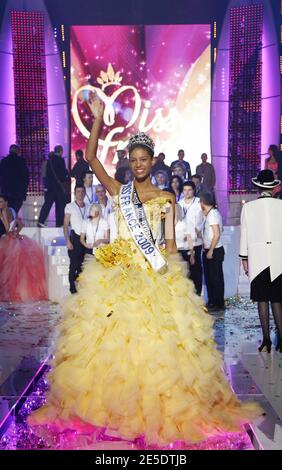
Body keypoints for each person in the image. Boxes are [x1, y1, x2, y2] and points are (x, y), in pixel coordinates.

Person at [29, 93, 260, 446]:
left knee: (157, 352)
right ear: (128, 162)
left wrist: (170, 279)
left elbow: (168, 247)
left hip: (153, 277)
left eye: (143, 159)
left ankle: (155, 411)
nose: (138, 164)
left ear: (153, 161)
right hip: (117, 276)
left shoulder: (166, 199)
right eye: (133, 159)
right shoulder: (118, 190)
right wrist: (98, 118)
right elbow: (90, 158)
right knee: (109, 349)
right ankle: (112, 411)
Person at [240, 169, 282, 353]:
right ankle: (281, 339)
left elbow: (244, 235)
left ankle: (266, 340)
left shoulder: (248, 207)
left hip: (257, 258)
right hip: (278, 257)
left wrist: (244, 257)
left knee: (262, 300)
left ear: (258, 187)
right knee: (277, 300)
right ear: (273, 188)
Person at [0, 194, 47, 302]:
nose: (0, 204)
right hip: (15, 239)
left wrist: (3, 219)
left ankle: (10, 292)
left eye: (1, 202)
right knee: (16, 268)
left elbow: (8, 229)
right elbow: (20, 225)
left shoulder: (3, 212)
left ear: (6, 202)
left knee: (9, 269)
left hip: (8, 240)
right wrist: (16, 232)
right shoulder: (12, 210)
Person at [201, 191, 225, 311]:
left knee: (216, 278)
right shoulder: (209, 214)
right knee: (210, 278)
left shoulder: (213, 214)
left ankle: (218, 303)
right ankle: (212, 302)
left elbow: (216, 234)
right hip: (209, 250)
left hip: (214, 251)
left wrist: (210, 250)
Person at [64, 185, 90, 294]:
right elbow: (65, 225)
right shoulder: (70, 206)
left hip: (86, 238)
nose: (80, 193)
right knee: (74, 264)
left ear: (84, 193)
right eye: (78, 191)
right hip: (75, 237)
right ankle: (72, 288)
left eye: (82, 191)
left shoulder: (89, 206)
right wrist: (68, 241)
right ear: (75, 193)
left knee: (83, 265)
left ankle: (81, 287)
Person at [179, 181, 203, 296]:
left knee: (196, 269)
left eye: (189, 190)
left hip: (196, 241)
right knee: (184, 271)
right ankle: (187, 295)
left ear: (194, 190)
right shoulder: (179, 204)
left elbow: (204, 218)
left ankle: (197, 293)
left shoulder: (199, 203)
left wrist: (200, 230)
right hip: (182, 242)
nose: (187, 192)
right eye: (185, 190)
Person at [38, 146, 70, 227]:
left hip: (50, 187)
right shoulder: (60, 160)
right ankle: (59, 224)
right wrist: (66, 174)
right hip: (58, 187)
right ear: (60, 151)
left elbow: (44, 174)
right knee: (60, 206)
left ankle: (41, 221)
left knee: (47, 205)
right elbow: (62, 174)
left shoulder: (48, 161)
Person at [0, 144, 29, 213]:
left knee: (6, 210)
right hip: (18, 191)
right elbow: (25, 176)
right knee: (14, 210)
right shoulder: (21, 161)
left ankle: (8, 223)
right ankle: (12, 222)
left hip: (6, 191)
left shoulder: (4, 161)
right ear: (18, 151)